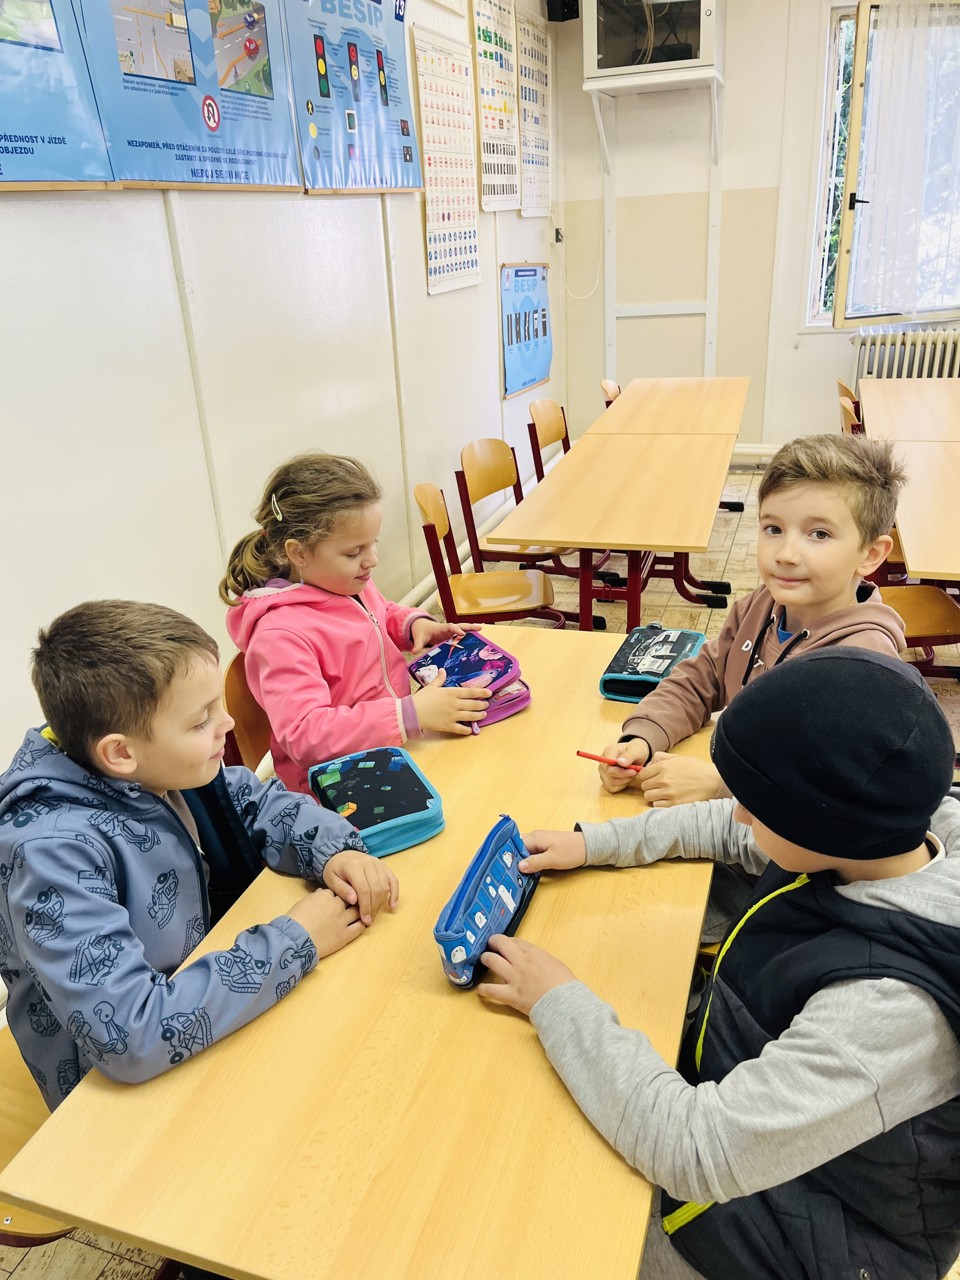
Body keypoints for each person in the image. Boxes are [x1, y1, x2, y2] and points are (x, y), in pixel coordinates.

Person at [478, 648, 960, 1280]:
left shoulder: (887, 1011)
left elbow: (694, 1150)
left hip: (811, 1237)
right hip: (764, 1131)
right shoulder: (904, 828)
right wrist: (594, 842)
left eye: (757, 802)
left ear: (825, 825)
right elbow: (739, 830)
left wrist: (557, 999)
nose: (737, 810)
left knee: (543, 1219)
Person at [0, 600, 398, 1116]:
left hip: (202, 995)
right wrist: (297, 940)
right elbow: (130, 1033)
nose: (228, 723)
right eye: (201, 719)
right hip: (113, 1099)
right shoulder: (49, 855)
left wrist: (330, 850)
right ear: (120, 753)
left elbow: (256, 800)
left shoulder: (160, 765)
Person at [600, 433, 906, 807]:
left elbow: (839, 788)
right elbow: (702, 679)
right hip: (728, 799)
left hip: (777, 832)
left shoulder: (865, 661)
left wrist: (721, 785)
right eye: (773, 529)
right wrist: (642, 738)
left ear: (870, 554)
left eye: (819, 534)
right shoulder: (761, 605)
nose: (786, 554)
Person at [219, 452, 491, 794]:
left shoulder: (342, 581)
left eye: (373, 543)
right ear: (298, 552)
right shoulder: (279, 636)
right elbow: (305, 735)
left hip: (388, 744)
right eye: (353, 552)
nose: (372, 560)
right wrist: (408, 715)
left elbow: (379, 613)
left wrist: (414, 625)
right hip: (338, 784)